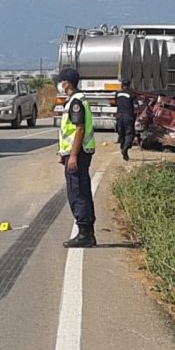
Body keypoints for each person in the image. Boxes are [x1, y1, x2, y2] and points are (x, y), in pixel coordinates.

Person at [57, 68, 97, 248]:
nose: (60, 84)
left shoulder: (76, 102)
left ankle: (84, 234)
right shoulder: (76, 100)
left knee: (77, 191)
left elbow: (79, 128)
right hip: (76, 153)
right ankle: (88, 233)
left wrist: (72, 155)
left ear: (67, 83)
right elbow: (70, 132)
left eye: (61, 81)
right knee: (81, 189)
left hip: (78, 154)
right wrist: (64, 153)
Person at [115, 80, 135, 162]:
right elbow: (135, 105)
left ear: (122, 85)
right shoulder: (131, 94)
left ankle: (122, 147)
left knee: (121, 133)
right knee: (129, 133)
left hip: (119, 115)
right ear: (129, 85)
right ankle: (125, 148)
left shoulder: (117, 94)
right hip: (128, 116)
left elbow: (117, 102)